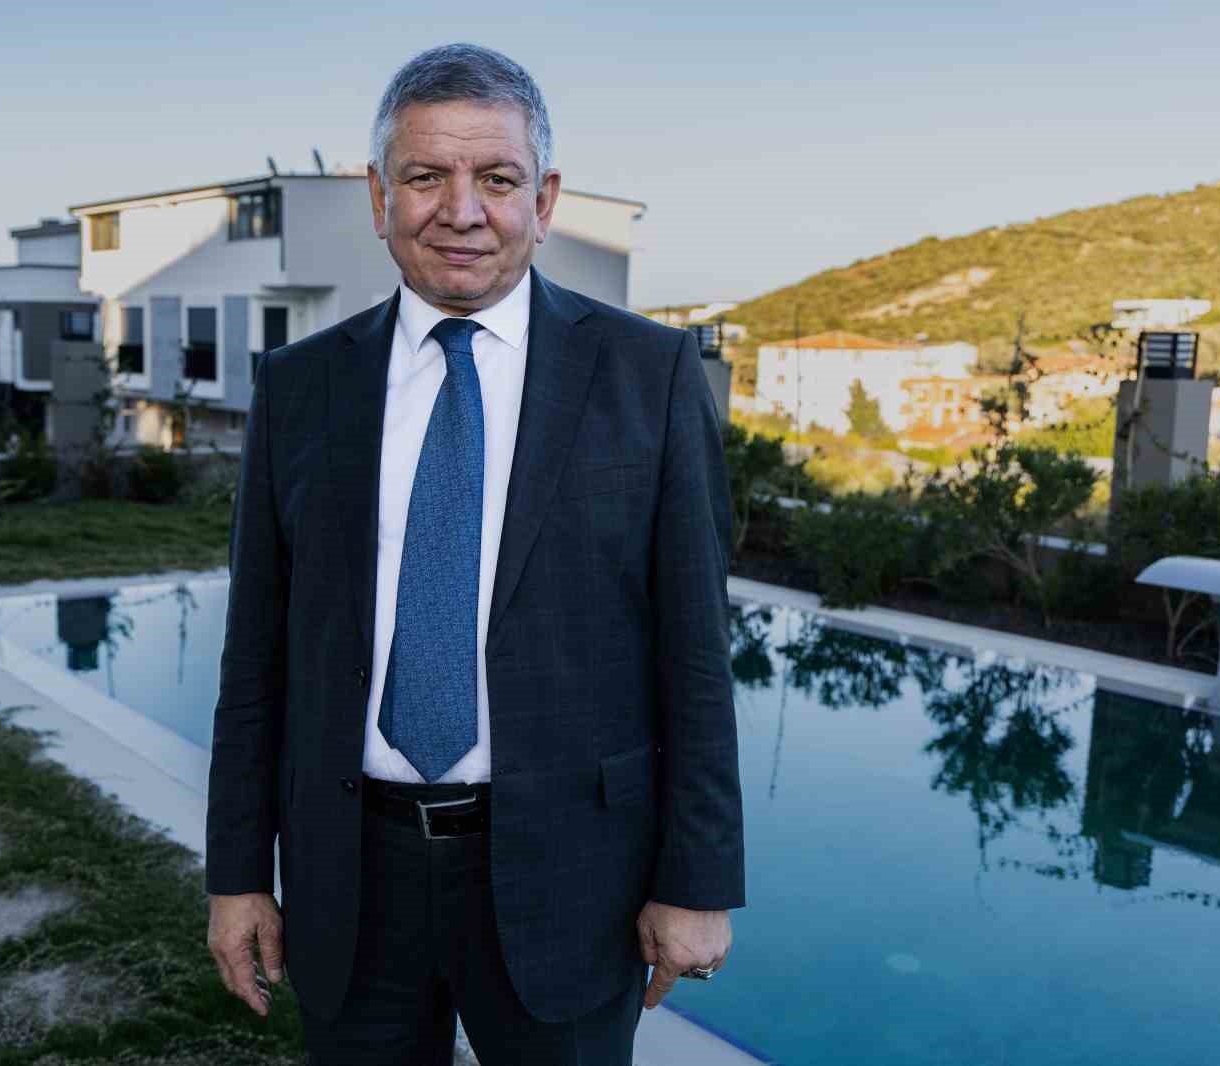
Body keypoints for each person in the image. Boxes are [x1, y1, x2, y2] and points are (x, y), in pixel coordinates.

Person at [206, 42, 744, 1066]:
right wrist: (236, 873)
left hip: (571, 879)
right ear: (379, 197)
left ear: (544, 200)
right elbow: (255, 659)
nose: (462, 211)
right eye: (425, 177)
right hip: (350, 877)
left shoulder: (652, 374)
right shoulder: (299, 387)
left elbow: (696, 653)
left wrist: (698, 881)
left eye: (496, 179)